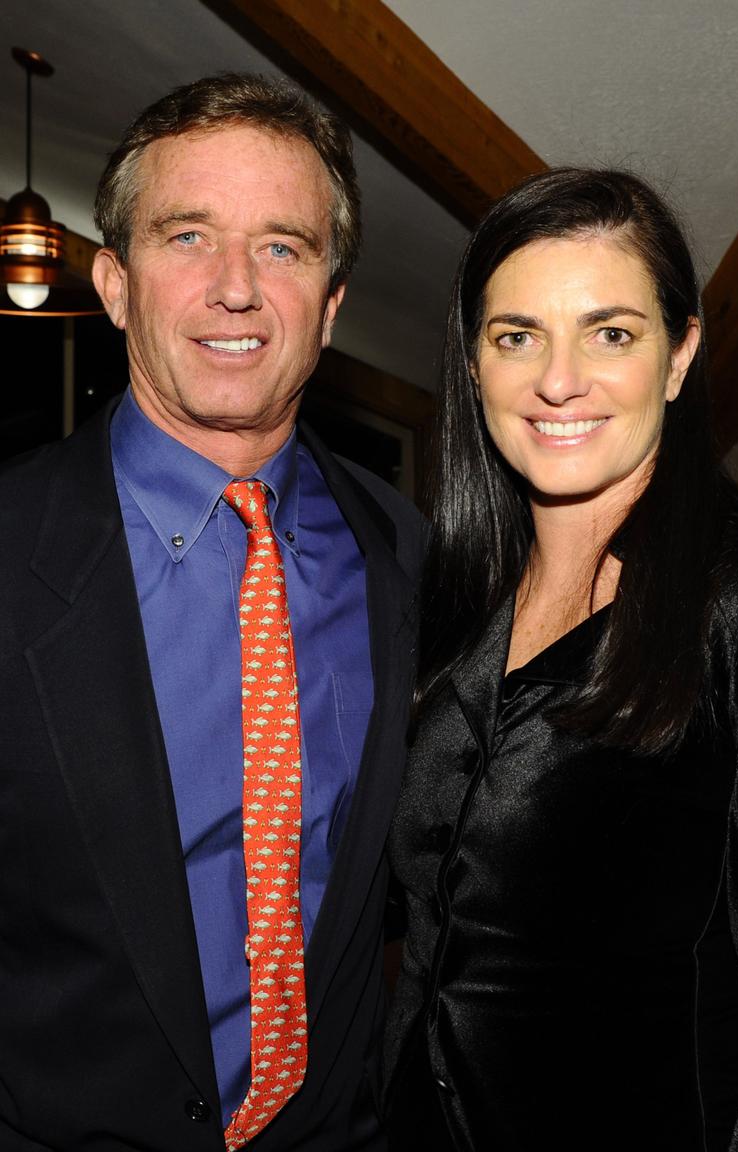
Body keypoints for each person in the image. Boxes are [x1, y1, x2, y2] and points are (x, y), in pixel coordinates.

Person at [0, 73, 422, 1151]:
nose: (236, 287)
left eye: (283, 247)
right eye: (188, 236)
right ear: (115, 282)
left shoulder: (408, 555)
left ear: (329, 308)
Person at [382, 168, 738, 1151]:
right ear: (475, 362)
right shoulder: (459, 601)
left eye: (610, 332)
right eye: (516, 336)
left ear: (679, 354)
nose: (558, 379)